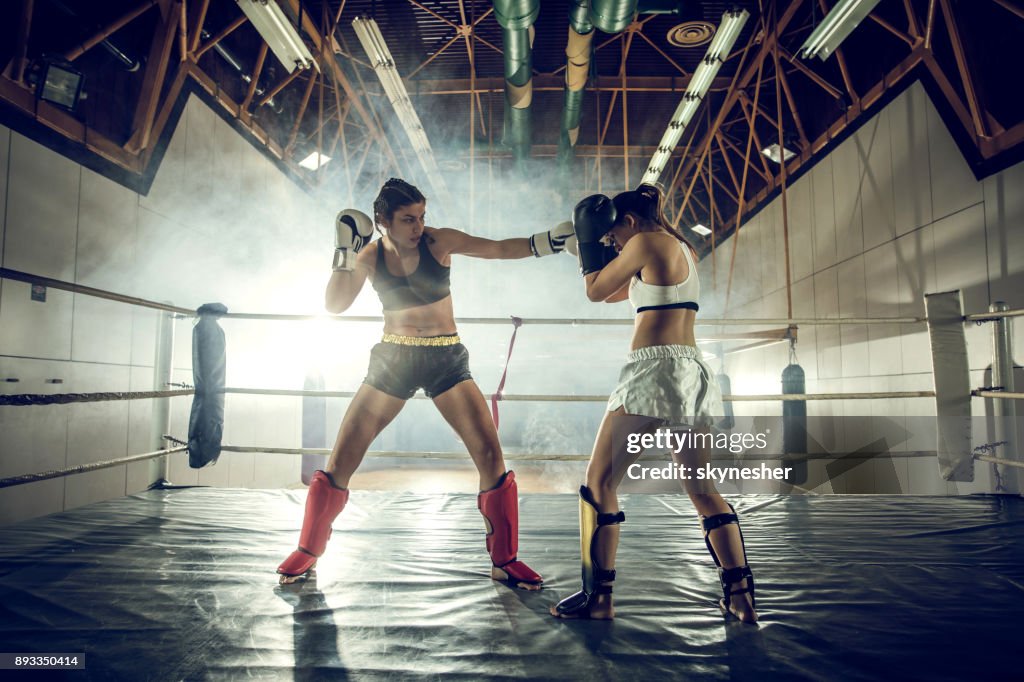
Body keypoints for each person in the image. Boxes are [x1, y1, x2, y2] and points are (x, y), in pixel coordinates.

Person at [278, 178, 574, 589]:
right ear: (383, 220)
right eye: (407, 219)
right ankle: (308, 552)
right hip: (393, 360)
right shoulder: (368, 255)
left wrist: (549, 243)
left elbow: (498, 248)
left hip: (445, 357)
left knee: (490, 453)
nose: (418, 227)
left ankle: (505, 560)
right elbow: (334, 305)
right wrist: (343, 252)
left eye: (421, 216)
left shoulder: (439, 243)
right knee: (343, 457)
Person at [549, 184, 757, 623]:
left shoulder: (642, 241)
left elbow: (591, 292)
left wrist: (587, 246)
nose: (615, 245)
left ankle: (599, 599)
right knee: (702, 489)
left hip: (654, 369)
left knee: (599, 480)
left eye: (614, 238)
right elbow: (611, 292)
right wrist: (583, 254)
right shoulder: (679, 248)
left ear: (628, 222)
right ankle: (741, 598)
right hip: (693, 372)